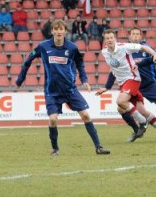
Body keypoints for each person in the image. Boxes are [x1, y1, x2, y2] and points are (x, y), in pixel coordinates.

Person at [15, 19, 110, 157]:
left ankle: (98, 147)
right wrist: (20, 79)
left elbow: (80, 64)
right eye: (56, 29)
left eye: (61, 29)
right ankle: (55, 149)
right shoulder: (43, 46)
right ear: (52, 31)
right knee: (53, 119)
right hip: (52, 91)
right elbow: (28, 60)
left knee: (85, 115)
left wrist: (84, 80)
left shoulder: (72, 48)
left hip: (70, 89)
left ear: (65, 31)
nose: (59, 31)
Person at [94, 29, 156, 143]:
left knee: (120, 101)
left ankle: (142, 123)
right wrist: (107, 87)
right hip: (123, 83)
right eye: (107, 38)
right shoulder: (104, 52)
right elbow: (113, 70)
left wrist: (154, 54)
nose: (109, 40)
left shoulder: (123, 47)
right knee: (141, 110)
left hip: (133, 78)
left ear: (115, 38)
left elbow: (143, 47)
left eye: (111, 38)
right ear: (104, 40)